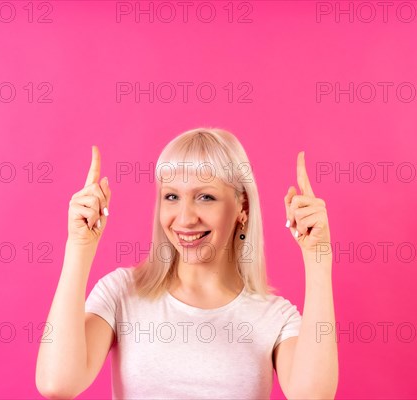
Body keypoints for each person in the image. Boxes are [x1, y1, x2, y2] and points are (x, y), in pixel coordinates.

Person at [35, 128, 338, 399]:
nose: (185, 218)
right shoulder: (121, 293)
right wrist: (79, 247)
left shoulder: (274, 316)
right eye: (171, 196)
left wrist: (318, 257)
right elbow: (58, 383)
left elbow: (313, 394)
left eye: (205, 197)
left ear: (242, 207)